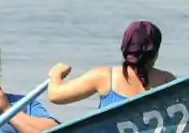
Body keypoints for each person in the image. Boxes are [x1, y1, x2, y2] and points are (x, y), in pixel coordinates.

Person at [47, 20, 176, 107]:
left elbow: (55, 95)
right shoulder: (167, 80)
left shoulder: (104, 77)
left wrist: (56, 73)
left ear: (124, 47)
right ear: (155, 52)